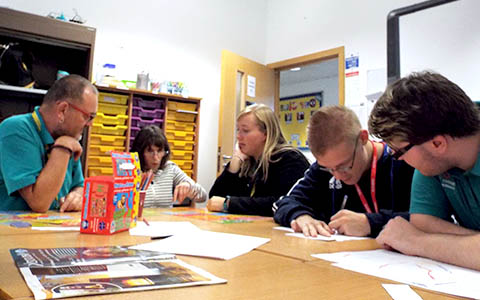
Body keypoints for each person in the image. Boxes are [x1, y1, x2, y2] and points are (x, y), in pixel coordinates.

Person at [369, 71, 480, 270]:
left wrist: (416, 242)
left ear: (437, 144)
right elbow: (423, 223)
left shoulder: (431, 148)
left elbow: (418, 235)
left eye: (398, 152)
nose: (400, 160)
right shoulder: (434, 158)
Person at [273, 106, 414, 237]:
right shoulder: (324, 167)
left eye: (344, 166)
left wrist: (371, 223)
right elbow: (282, 203)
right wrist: (300, 216)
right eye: (330, 169)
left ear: (363, 139)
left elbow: (428, 220)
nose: (338, 176)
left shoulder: (403, 160)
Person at [0, 74, 98, 212]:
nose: (90, 124)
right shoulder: (16, 129)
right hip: (13, 231)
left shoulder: (69, 137)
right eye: (88, 116)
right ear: (63, 110)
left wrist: (77, 196)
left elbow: (79, 186)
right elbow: (39, 203)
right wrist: (63, 147)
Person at [207, 103, 310, 216]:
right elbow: (214, 199)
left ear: (266, 133)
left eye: (245, 131)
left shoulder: (290, 159)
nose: (238, 136)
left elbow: (281, 203)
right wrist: (234, 165)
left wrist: (229, 204)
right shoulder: (246, 161)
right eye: (238, 130)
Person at [130, 125, 207, 207]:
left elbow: (203, 196)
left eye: (159, 151)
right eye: (150, 151)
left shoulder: (170, 168)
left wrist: (189, 187)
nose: (156, 157)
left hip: (165, 219)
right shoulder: (131, 170)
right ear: (140, 152)